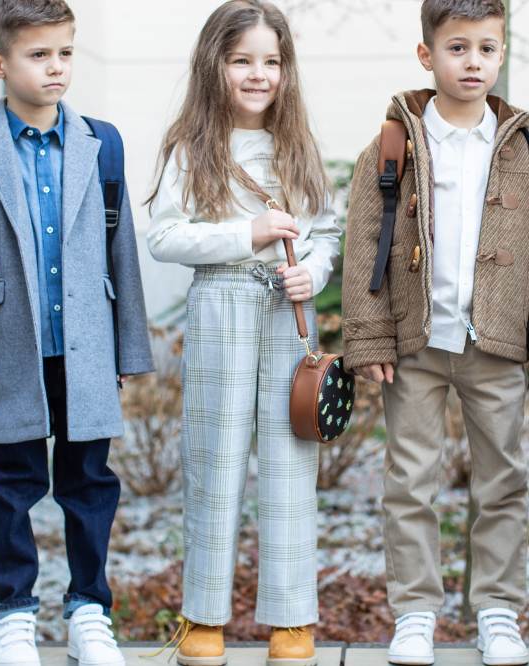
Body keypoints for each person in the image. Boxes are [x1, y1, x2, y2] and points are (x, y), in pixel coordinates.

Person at [340, 1, 529, 664]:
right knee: (410, 478)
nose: (473, 62)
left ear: (502, 54)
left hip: (494, 345)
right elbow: (363, 247)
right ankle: (415, 611)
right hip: (415, 344)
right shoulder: (392, 146)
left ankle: (498, 609)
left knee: (503, 477)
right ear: (427, 56)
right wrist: (369, 338)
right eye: (458, 48)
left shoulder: (528, 150)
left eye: (487, 49)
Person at [0, 1, 153, 664]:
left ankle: (90, 609)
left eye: (64, 51)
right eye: (38, 54)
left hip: (87, 349)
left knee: (90, 483)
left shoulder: (102, 142)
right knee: (11, 482)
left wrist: (128, 347)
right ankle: (14, 613)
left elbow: (122, 250)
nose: (56, 66)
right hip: (9, 354)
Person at [145, 2, 341, 665]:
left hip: (287, 312)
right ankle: (203, 615)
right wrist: (246, 233)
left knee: (290, 460)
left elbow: (326, 234)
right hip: (220, 303)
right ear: (214, 65)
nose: (258, 75)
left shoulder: (298, 146)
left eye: (271, 61)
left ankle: (291, 617)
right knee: (214, 458)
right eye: (242, 61)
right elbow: (165, 237)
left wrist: (312, 271)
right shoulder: (188, 146)